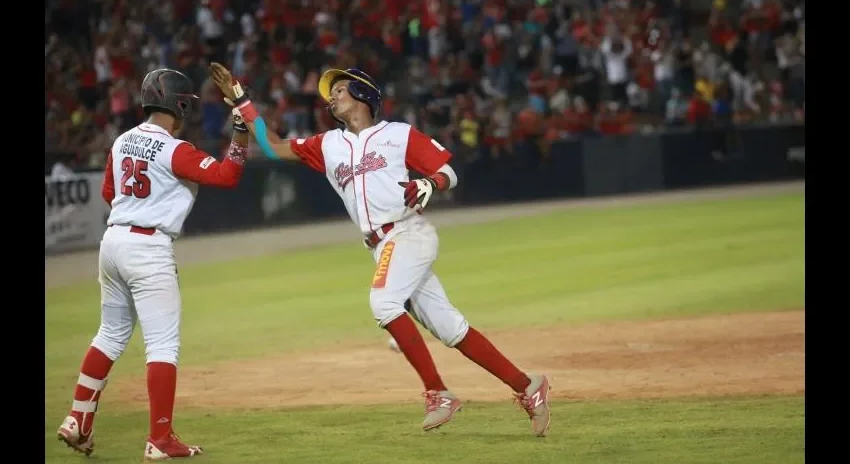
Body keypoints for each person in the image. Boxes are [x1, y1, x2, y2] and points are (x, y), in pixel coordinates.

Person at [209, 62, 552, 436]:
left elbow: (448, 170)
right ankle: (528, 386)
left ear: (362, 95)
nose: (332, 98)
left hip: (407, 233)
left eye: (339, 90)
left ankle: (438, 393)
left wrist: (431, 184)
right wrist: (241, 99)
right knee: (451, 329)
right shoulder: (328, 144)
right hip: (381, 244)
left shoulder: (398, 134)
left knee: (383, 303)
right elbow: (274, 148)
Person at [56, 68, 252, 460]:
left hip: (113, 241)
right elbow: (228, 176)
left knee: (109, 335)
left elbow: (109, 192)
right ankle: (160, 439)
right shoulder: (175, 149)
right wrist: (240, 132)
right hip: (149, 246)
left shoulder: (121, 140)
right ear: (180, 105)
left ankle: (78, 418)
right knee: (162, 345)